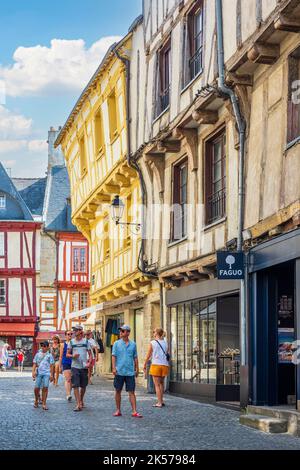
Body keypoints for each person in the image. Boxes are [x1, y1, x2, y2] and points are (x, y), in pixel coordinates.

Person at [112, 325, 142, 418]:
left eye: (123, 331)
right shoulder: (116, 343)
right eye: (120, 331)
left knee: (132, 391)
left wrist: (137, 368)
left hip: (129, 372)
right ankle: (118, 410)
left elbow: (135, 357)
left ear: (128, 332)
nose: (120, 332)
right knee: (118, 390)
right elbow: (114, 356)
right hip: (119, 371)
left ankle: (134, 411)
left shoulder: (133, 344)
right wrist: (113, 367)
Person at [67, 325, 92, 412]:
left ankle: (81, 400)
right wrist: (72, 355)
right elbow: (67, 354)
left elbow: (90, 354)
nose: (74, 331)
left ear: (80, 331)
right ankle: (78, 404)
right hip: (75, 366)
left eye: (76, 330)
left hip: (84, 366)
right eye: (74, 330)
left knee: (83, 386)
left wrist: (89, 362)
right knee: (75, 385)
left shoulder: (86, 342)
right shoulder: (71, 342)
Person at [143, 328, 169, 408]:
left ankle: (159, 403)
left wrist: (144, 364)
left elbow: (148, 354)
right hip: (164, 365)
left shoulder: (153, 343)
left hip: (156, 365)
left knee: (157, 385)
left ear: (157, 333)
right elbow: (167, 353)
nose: (153, 333)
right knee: (161, 384)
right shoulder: (165, 343)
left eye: (154, 332)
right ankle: (162, 401)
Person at [32, 341, 54, 411]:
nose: (43, 347)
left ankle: (44, 403)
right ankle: (36, 400)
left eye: (44, 346)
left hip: (46, 373)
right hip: (39, 373)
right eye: (42, 346)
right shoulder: (37, 354)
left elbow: (51, 366)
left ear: (47, 347)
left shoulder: (50, 355)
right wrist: (33, 372)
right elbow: (34, 364)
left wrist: (51, 375)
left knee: (45, 387)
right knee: (36, 388)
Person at [59, 330, 73, 401]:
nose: (70, 335)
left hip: (74, 363)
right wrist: (60, 366)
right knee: (68, 379)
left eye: (71, 334)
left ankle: (69, 392)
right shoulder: (62, 345)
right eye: (68, 334)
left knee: (71, 380)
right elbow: (61, 356)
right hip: (66, 362)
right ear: (65, 335)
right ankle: (68, 394)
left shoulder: (74, 343)